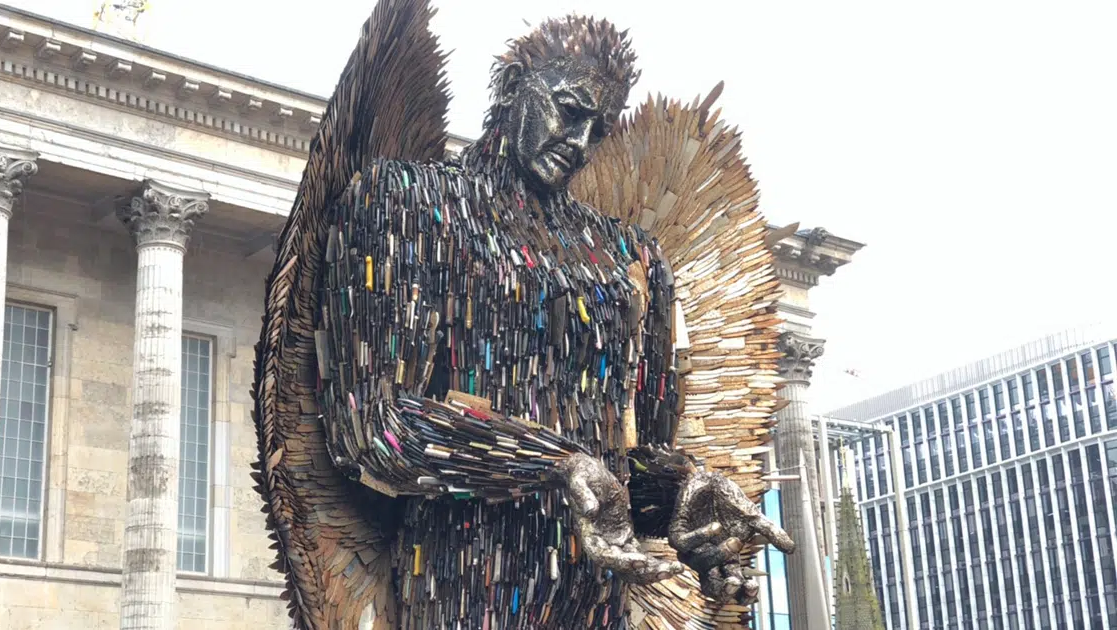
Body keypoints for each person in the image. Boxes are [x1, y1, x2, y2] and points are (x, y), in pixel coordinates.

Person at [251, 1, 794, 628]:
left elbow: (624, 463)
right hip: (461, 591)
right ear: (512, 88)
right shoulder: (406, 204)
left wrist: (678, 492)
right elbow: (373, 429)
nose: (581, 143)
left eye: (600, 127)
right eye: (568, 111)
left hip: (595, 602)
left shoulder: (633, 263)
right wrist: (551, 465)